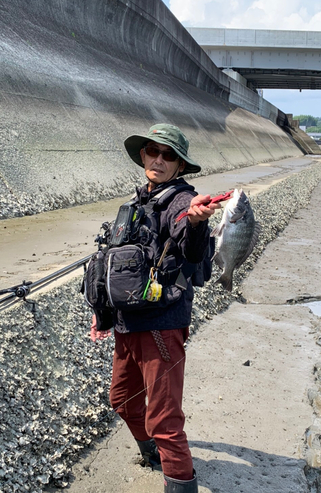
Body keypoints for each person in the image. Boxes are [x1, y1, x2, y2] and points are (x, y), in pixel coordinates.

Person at [93, 124, 221, 493]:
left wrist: (197, 222)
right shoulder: (139, 200)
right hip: (126, 322)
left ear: (180, 165)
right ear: (143, 156)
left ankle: (180, 481)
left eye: (169, 155)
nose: (159, 159)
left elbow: (192, 250)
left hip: (161, 326)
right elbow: (115, 264)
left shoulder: (182, 201)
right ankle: (152, 454)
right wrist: (102, 312)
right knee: (122, 400)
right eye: (153, 151)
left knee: (165, 419)